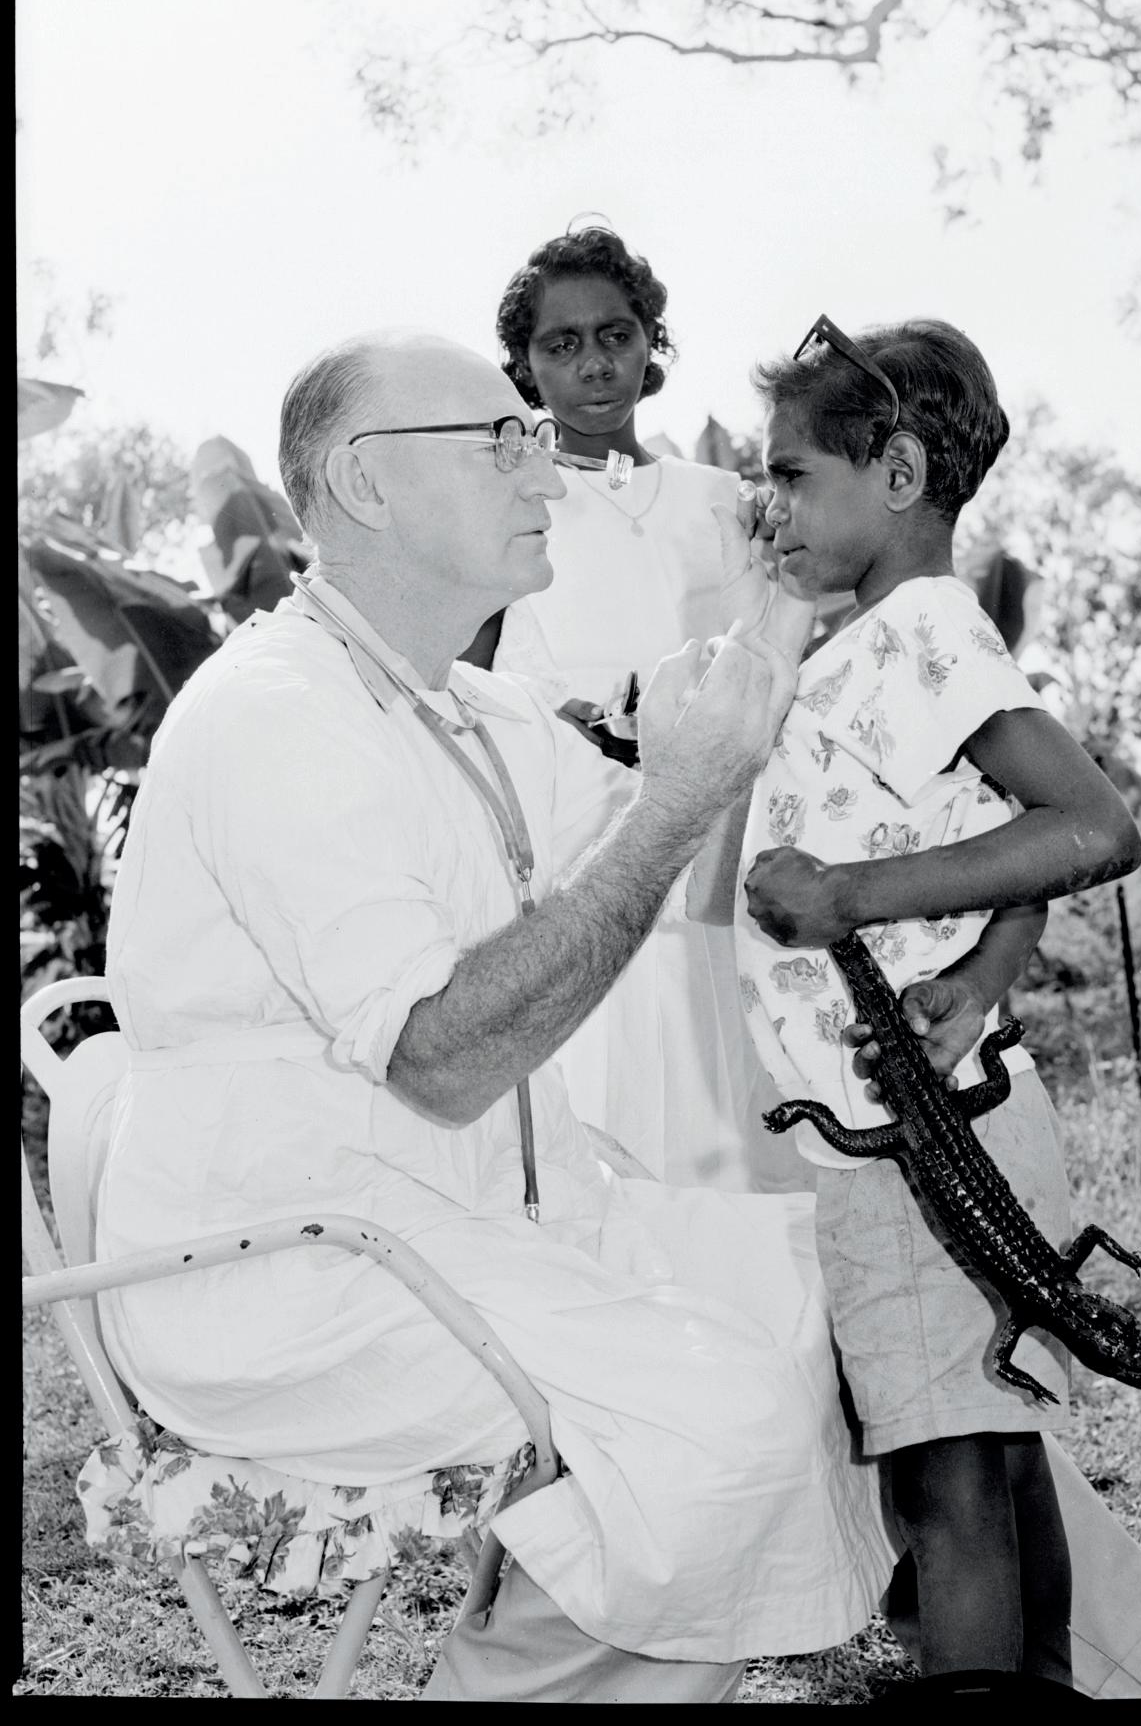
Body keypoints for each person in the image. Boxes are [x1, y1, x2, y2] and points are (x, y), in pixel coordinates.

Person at [94, 328, 900, 1703]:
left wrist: (772, 620)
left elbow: (646, 849)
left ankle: (542, 1647)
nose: (548, 472)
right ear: (366, 482)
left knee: (806, 1294)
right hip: (296, 1271)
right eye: (502, 442)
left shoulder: (468, 706)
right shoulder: (273, 717)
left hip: (464, 1223)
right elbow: (444, 1056)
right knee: (728, 1416)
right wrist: (675, 798)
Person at [729, 315, 1141, 1697]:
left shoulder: (920, 632)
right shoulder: (878, 641)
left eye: (793, 475)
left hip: (914, 1151)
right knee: (992, 1455)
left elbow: (1091, 827)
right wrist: (982, 974)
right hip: (938, 1120)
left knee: (946, 1484)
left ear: (899, 474)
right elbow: (1009, 844)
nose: (771, 504)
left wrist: (849, 894)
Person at [476, 224, 809, 1192]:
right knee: (605, 1143)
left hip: (716, 856)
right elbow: (470, 692)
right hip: (579, 865)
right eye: (562, 344)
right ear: (526, 365)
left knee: (731, 1129)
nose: (594, 364)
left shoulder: (722, 503)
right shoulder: (509, 506)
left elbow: (772, 659)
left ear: (649, 342)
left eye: (615, 336)